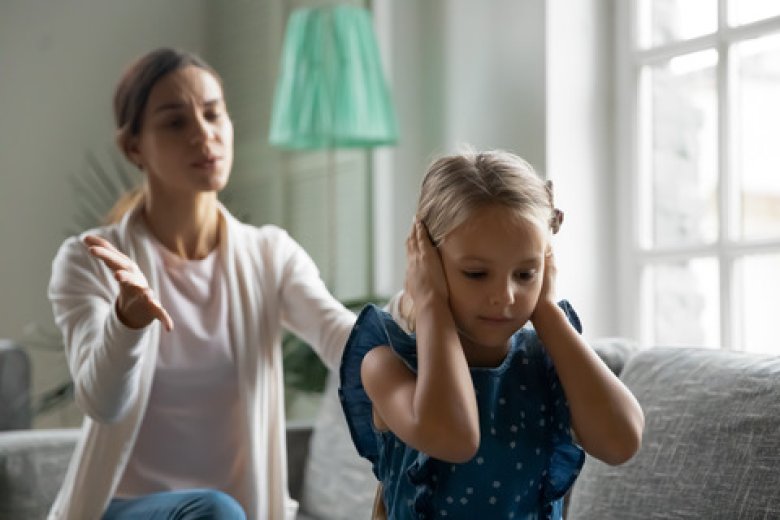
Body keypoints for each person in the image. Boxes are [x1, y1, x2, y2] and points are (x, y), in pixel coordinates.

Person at [47, 48, 355, 520]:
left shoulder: (269, 254)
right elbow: (101, 403)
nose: (203, 134)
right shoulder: (90, 261)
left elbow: (338, 335)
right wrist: (127, 321)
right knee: (214, 510)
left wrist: (421, 334)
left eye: (213, 114)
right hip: (123, 510)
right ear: (134, 148)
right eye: (175, 123)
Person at [339, 149, 645, 519]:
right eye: (476, 274)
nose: (505, 296)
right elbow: (453, 437)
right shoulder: (388, 364)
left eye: (525, 273)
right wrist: (431, 303)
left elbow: (622, 441)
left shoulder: (546, 363)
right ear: (428, 263)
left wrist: (547, 313)